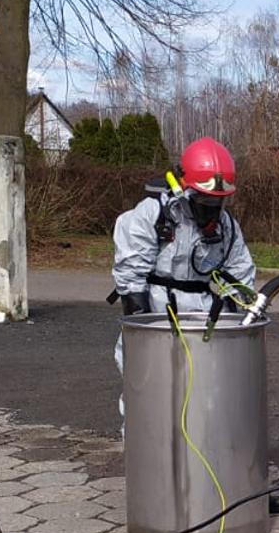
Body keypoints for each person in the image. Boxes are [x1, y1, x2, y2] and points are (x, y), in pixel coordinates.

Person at [110, 136, 258, 415]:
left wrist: (238, 315)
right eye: (203, 199)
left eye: (217, 200)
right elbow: (131, 276)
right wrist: (144, 331)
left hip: (204, 323)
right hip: (158, 316)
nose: (210, 208)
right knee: (148, 397)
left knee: (207, 400)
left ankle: (202, 443)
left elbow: (241, 274)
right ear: (183, 187)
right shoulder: (152, 216)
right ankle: (150, 443)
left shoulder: (226, 226)